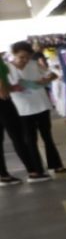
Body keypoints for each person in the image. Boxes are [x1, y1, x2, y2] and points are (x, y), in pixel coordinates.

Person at [9, 41, 66, 176]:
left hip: (42, 105)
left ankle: (56, 165)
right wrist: (15, 87)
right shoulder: (7, 69)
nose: (25, 60)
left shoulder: (34, 64)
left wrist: (46, 79)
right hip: (23, 109)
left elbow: (52, 74)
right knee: (30, 140)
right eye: (21, 57)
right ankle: (37, 169)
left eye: (27, 57)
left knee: (47, 136)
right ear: (14, 55)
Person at [0, 55, 38, 184]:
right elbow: (2, 91)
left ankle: (3, 175)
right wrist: (11, 88)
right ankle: (33, 171)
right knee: (18, 137)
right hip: (3, 104)